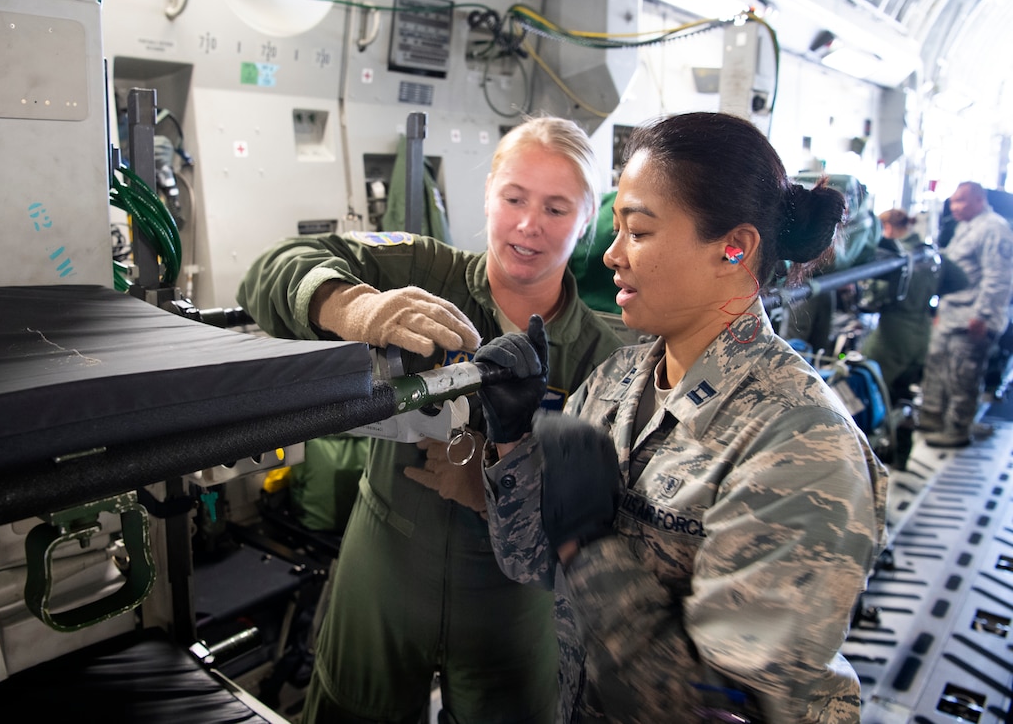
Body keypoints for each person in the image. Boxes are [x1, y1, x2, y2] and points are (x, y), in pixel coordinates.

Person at [474, 112, 889, 723]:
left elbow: (708, 709)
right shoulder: (617, 381)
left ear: (734, 247)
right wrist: (512, 444)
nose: (612, 255)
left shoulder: (801, 444)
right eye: (615, 229)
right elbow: (529, 562)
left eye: (637, 232)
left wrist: (590, 547)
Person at [236, 115, 623, 723]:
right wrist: (354, 305)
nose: (528, 225)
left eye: (556, 208)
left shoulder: (603, 357)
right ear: (488, 195)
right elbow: (270, 269)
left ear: (588, 218)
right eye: (514, 198)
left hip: (514, 603)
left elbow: (610, 527)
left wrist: (494, 493)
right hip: (386, 568)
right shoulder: (422, 274)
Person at [918, 181, 1013, 447]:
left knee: (963, 377)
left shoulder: (993, 228)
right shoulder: (964, 227)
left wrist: (982, 316)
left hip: (973, 317)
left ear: (979, 200)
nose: (954, 207)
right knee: (937, 370)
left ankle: (958, 430)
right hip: (951, 314)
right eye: (954, 201)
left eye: (961, 201)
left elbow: (998, 278)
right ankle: (932, 419)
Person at [858, 208, 941, 403]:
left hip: (893, 337)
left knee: (867, 387)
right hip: (922, 335)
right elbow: (959, 280)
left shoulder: (896, 257)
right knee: (901, 398)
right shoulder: (929, 253)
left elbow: (872, 298)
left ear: (887, 227)